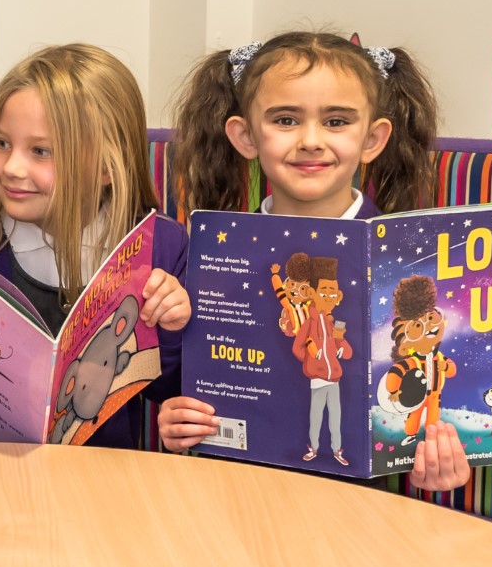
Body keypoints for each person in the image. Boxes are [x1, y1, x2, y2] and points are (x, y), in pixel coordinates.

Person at [160, 31, 469, 490]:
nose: (310, 141)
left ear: (372, 138)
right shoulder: (219, 252)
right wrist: (178, 415)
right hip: (231, 491)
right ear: (245, 135)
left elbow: (430, 392)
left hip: (353, 506)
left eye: (336, 121)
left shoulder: (408, 261)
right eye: (285, 120)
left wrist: (441, 464)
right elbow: (187, 381)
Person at [0, 44, 192, 448]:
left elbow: (173, 392)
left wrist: (172, 328)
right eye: (2, 143)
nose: (11, 168)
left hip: (97, 474)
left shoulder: (158, 247)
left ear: (106, 168)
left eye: (41, 151)